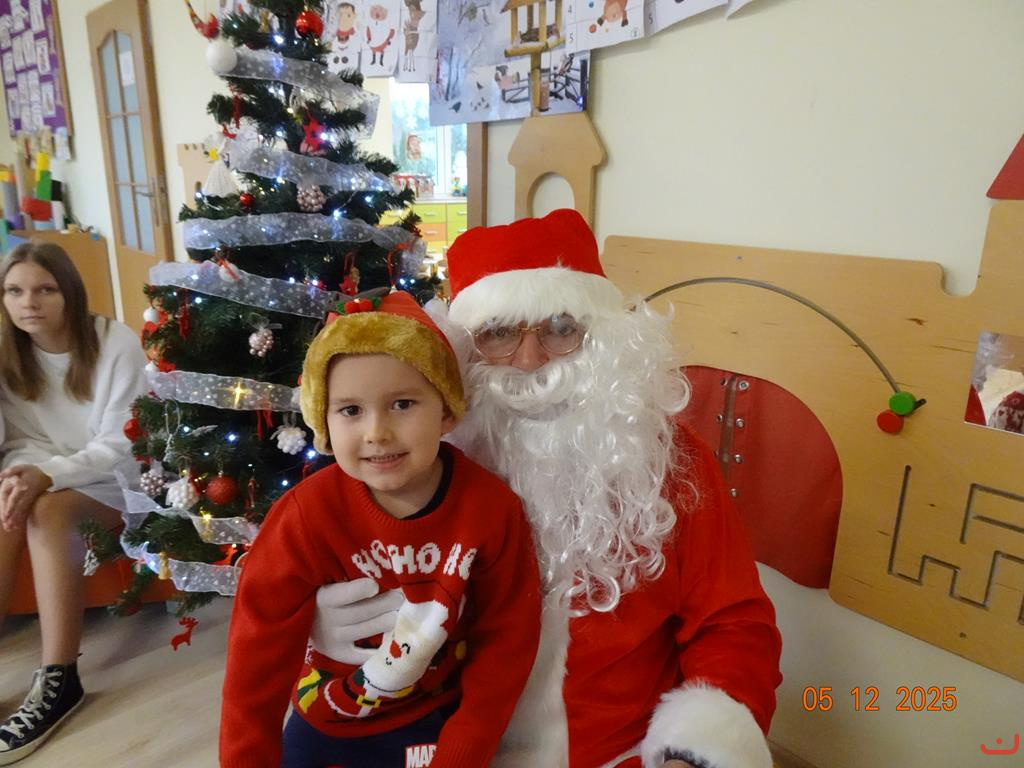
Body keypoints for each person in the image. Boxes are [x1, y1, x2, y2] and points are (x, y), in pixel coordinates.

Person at [312, 209, 784, 768]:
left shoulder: (672, 460)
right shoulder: (413, 458)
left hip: (621, 750)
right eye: (498, 333)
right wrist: (320, 628)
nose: (531, 360)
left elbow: (732, 623)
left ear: (606, 337)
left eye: (561, 328)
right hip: (442, 745)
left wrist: (696, 747)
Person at [220, 291, 542, 768]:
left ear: (447, 410)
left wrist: (465, 748)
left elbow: (507, 643)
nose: (377, 432)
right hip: (326, 721)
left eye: (402, 403)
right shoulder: (304, 517)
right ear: (324, 421)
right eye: (351, 411)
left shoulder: (491, 509)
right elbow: (255, 660)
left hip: (433, 719)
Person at [0, 241, 147, 763]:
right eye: (14, 291)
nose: (29, 303)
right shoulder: (9, 353)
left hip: (118, 479)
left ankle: (60, 679)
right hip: (47, 473)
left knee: (46, 510)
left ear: (69, 293)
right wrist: (23, 475)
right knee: (9, 505)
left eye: (45, 289)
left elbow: (123, 443)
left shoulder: (114, 342)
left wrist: (48, 476)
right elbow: (21, 440)